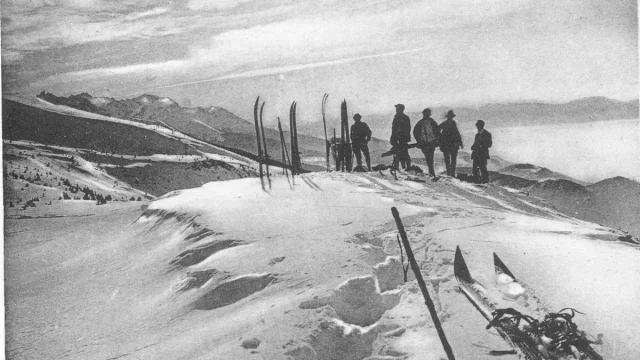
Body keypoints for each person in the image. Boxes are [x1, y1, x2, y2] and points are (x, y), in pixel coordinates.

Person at [413, 108, 440, 176]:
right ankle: (431, 171)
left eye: (427, 114)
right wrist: (419, 140)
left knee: (430, 157)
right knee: (428, 157)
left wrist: (436, 139)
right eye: (426, 114)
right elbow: (415, 132)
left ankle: (431, 172)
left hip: (431, 142)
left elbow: (437, 131)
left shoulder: (432, 122)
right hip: (424, 143)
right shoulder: (420, 123)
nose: (426, 115)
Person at [439, 110, 463, 177]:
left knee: (453, 160)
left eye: (451, 117)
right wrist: (441, 138)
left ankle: (452, 173)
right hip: (446, 145)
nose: (451, 118)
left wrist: (460, 143)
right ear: (448, 117)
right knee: (447, 160)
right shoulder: (444, 124)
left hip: (453, 145)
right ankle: (449, 173)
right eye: (450, 116)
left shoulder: (454, 123)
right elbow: (437, 129)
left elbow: (457, 134)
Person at [390, 104, 412, 169]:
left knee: (403, 153)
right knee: (398, 153)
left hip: (402, 139)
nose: (396, 110)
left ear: (401, 109)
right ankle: (401, 167)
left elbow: (407, 129)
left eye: (397, 108)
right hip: (398, 139)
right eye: (396, 108)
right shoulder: (397, 117)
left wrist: (400, 137)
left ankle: (406, 167)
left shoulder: (403, 118)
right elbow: (393, 129)